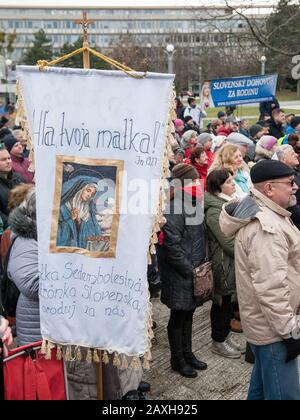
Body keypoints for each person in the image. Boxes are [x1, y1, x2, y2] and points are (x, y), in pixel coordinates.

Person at [220, 159, 300, 400]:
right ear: (269, 189)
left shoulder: (271, 212)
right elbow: (271, 288)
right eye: (289, 183)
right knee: (283, 394)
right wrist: (289, 333)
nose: (294, 187)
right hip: (274, 331)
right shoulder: (266, 227)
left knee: (262, 387)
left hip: (268, 325)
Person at [157, 163, 207, 378]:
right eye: (194, 180)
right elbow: (172, 245)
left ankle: (188, 353)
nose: (198, 183)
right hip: (181, 273)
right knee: (178, 316)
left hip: (194, 271)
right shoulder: (175, 206)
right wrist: (189, 270)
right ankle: (177, 359)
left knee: (189, 315)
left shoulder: (193, 202)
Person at [205, 169, 242, 359]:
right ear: (219, 186)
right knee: (221, 303)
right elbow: (226, 241)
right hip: (222, 262)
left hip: (231, 261)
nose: (233, 184)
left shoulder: (226, 203)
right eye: (229, 181)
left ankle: (225, 336)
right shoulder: (214, 209)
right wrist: (245, 250)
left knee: (229, 302)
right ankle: (218, 341)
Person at [57, 175, 102, 249]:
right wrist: (70, 219)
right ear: (81, 189)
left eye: (92, 194)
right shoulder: (63, 207)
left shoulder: (87, 211)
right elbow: (56, 233)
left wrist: (79, 222)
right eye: (88, 190)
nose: (89, 195)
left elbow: (92, 233)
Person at [0, 144, 24, 229]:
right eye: (3, 160)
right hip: (10, 231)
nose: (8, 161)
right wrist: (17, 226)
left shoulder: (18, 178)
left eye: (9, 158)